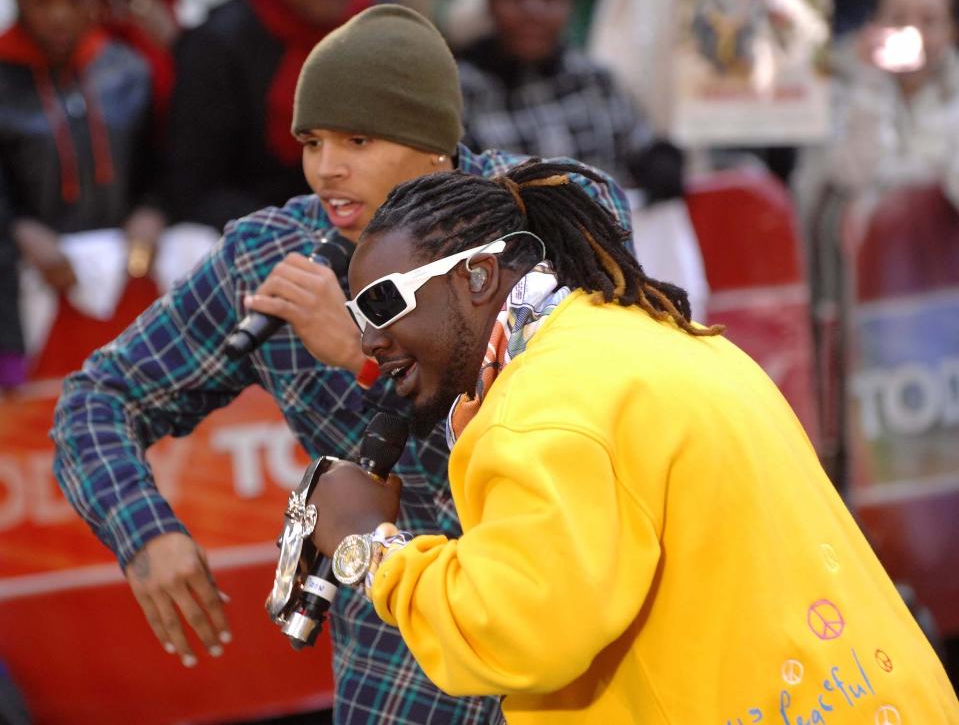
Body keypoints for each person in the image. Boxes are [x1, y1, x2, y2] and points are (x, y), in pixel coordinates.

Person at [51, 4, 631, 724]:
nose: (328, 168)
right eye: (312, 141)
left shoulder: (550, 214)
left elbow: (561, 421)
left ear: (433, 144)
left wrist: (363, 352)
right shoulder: (270, 254)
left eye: (357, 139)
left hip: (573, 653)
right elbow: (98, 397)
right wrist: (145, 536)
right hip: (402, 675)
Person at [304, 158, 959, 723]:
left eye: (384, 304)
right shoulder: (658, 336)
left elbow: (514, 630)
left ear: (476, 277)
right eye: (357, 316)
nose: (369, 339)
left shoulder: (541, 405)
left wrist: (369, 545)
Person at [0, 0, 162, 381]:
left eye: (74, 0)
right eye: (42, 2)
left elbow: (166, 165)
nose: (59, 16)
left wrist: (154, 209)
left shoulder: (128, 69)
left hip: (125, 269)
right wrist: (17, 227)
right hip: (21, 270)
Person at [162, 0, 373, 232]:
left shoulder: (381, 29)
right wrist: (302, 229)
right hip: (258, 232)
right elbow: (192, 189)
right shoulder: (220, 44)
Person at [455, 0, 648, 184]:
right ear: (490, 3)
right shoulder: (460, 93)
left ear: (569, 4)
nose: (533, 12)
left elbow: (642, 149)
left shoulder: (595, 81)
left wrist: (660, 158)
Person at [825, 0, 959, 207]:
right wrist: (869, 81)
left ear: (951, 30)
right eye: (897, 18)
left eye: (929, 20)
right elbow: (851, 176)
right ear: (874, 23)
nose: (913, 33)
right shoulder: (841, 78)